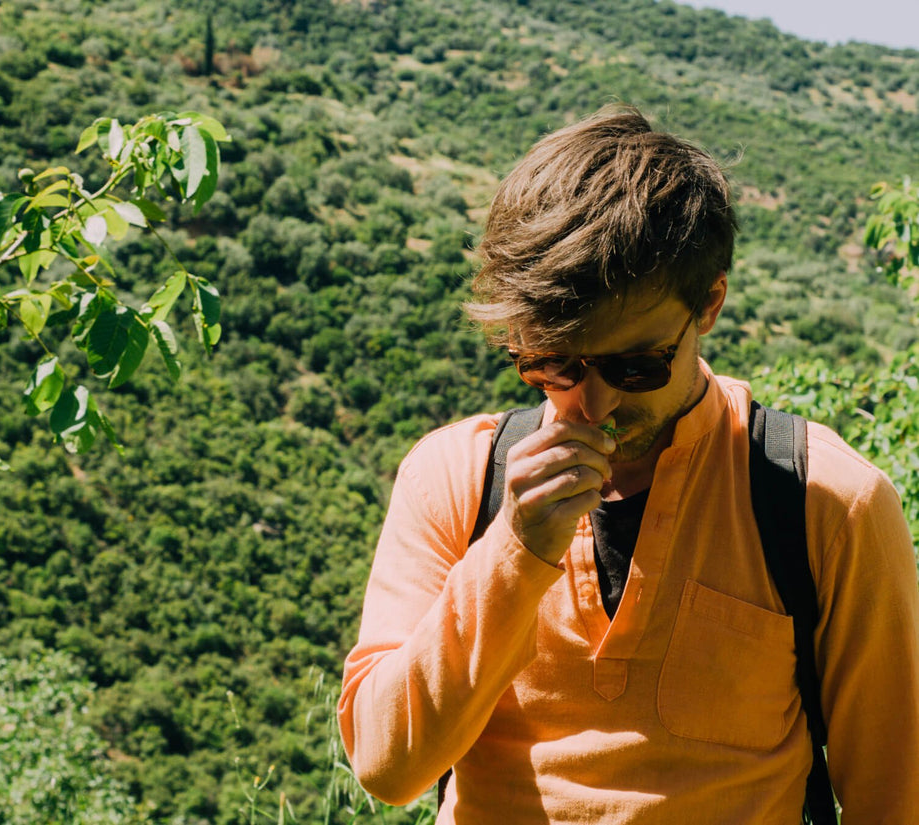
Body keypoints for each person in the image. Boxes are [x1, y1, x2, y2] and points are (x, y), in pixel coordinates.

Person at [336, 104, 919, 824]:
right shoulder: (453, 476)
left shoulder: (825, 504)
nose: (593, 401)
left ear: (709, 305)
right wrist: (513, 555)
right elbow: (385, 765)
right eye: (553, 362)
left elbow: (893, 800)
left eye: (636, 366)